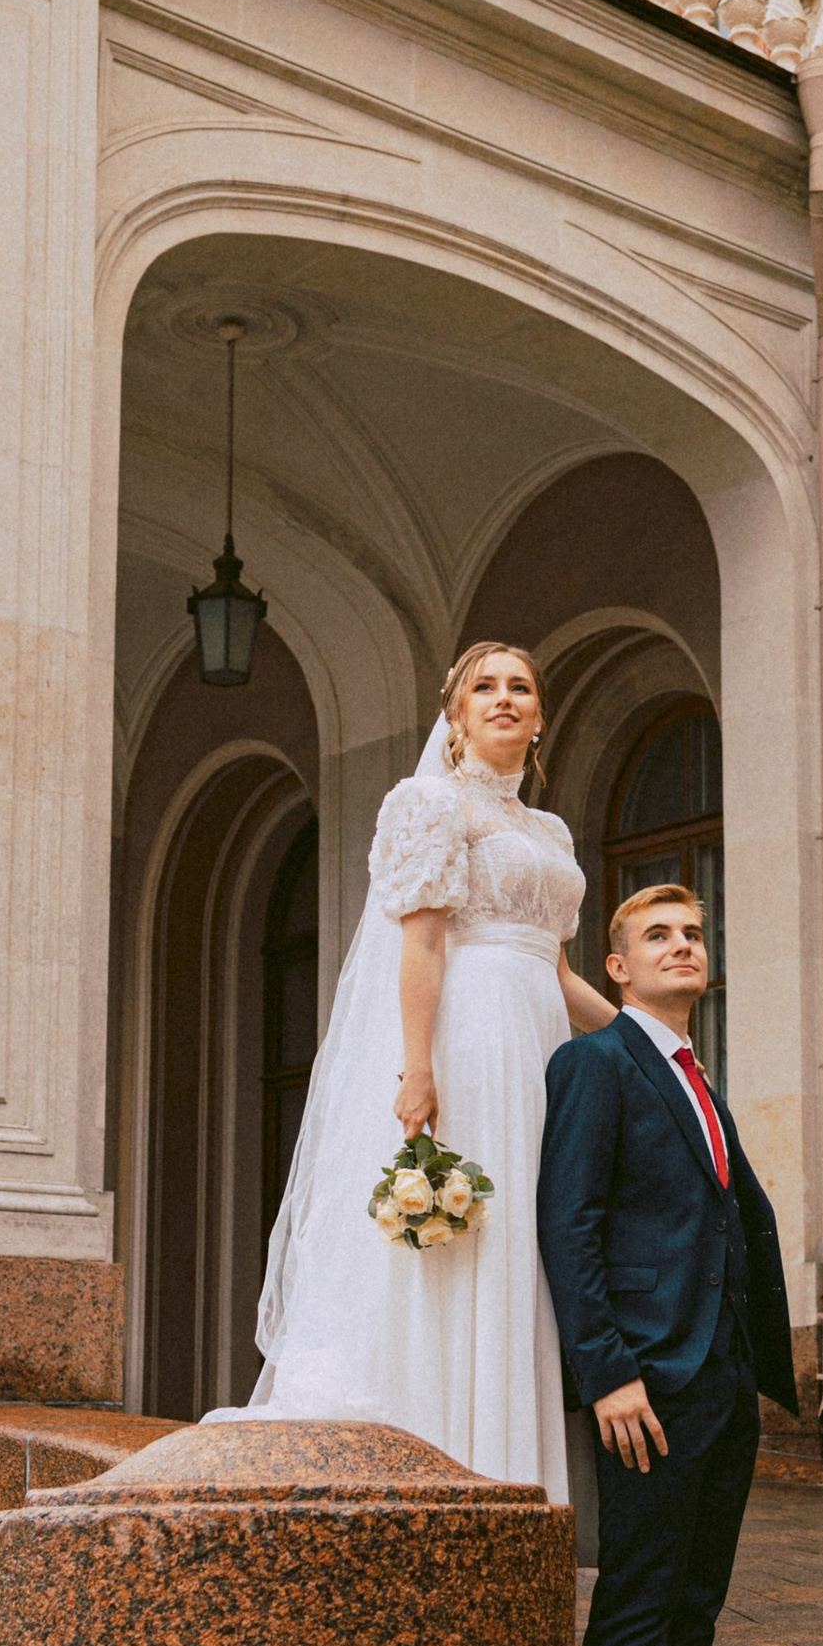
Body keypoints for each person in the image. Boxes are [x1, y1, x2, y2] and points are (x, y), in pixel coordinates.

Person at [220, 640, 617, 1494]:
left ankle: (515, 1477)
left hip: (540, 1051)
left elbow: (555, 968)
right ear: (457, 714)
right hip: (468, 1038)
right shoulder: (429, 802)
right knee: (465, 1241)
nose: (504, 699)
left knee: (526, 1239)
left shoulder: (546, 830)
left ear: (540, 718)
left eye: (521, 688)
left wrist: (642, 1042)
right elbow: (425, 940)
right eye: (485, 688)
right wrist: (417, 1067)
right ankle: (446, 1459)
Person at [536, 880, 798, 1646]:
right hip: (648, 1386)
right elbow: (572, 1221)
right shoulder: (596, 1065)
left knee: (692, 1611)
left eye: (693, 933)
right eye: (658, 936)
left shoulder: (695, 1075)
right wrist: (607, 1371)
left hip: (721, 1385)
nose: (683, 946)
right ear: (618, 968)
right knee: (638, 1616)